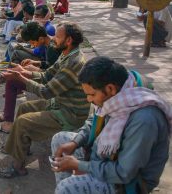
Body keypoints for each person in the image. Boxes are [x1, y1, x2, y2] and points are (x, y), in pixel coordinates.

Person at [51, 56, 171, 194]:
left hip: (129, 183)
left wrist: (81, 165)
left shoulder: (144, 120)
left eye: (92, 95)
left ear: (110, 88)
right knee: (60, 139)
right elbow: (95, 119)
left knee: (66, 188)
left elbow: (124, 173)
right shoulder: (122, 91)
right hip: (106, 157)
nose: (89, 99)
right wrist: (75, 142)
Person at [0, 22, 90, 178]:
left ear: (69, 40)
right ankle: (22, 148)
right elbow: (46, 76)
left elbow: (46, 91)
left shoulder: (74, 63)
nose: (53, 39)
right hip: (60, 104)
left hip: (70, 113)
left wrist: (21, 78)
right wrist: (24, 72)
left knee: (23, 122)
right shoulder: (67, 54)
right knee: (24, 108)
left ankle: (17, 167)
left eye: (58, 36)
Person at [0, 22, 61, 133]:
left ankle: (8, 122)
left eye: (32, 42)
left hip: (49, 86)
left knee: (12, 82)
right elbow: (51, 65)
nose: (32, 45)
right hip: (47, 78)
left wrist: (32, 70)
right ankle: (6, 116)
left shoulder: (52, 48)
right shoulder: (49, 44)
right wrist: (36, 63)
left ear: (41, 38)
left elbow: (50, 75)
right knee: (13, 79)